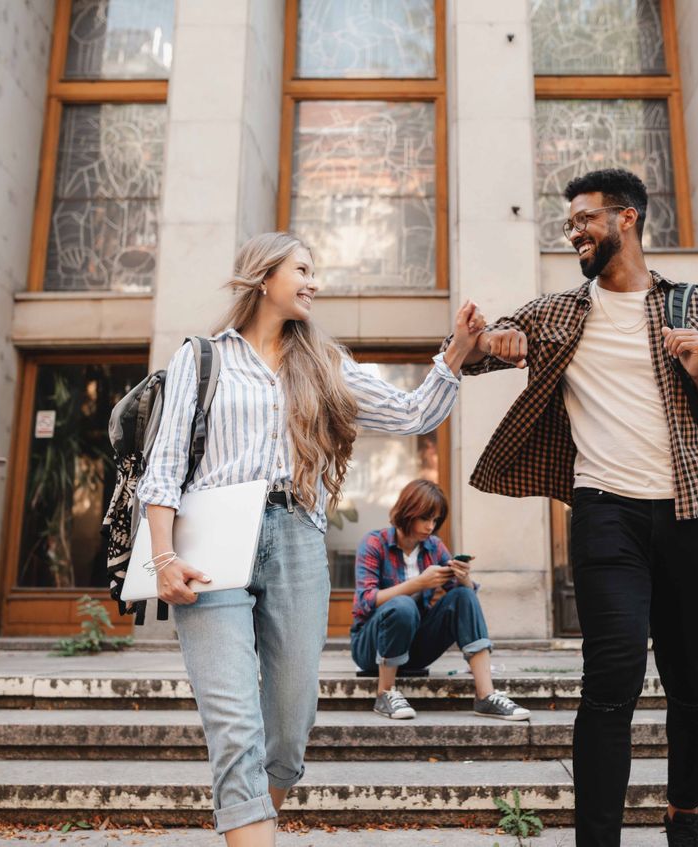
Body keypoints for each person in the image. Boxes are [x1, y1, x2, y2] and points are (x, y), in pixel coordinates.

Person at [135, 231, 485, 847]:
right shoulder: (202, 357)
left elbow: (411, 414)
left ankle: (254, 821)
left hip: (296, 535)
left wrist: (455, 351)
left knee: (290, 725)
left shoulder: (324, 364)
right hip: (213, 544)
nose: (313, 281)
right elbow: (163, 467)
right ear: (263, 275)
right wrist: (164, 557)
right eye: (302, 268)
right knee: (233, 721)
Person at [449, 169, 698, 847]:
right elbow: (474, 353)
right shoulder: (560, 311)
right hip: (606, 514)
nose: (574, 232)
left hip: (691, 512)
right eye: (569, 224)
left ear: (626, 218)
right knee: (610, 684)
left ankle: (683, 810)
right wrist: (489, 340)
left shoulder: (690, 305)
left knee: (691, 682)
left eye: (585, 219)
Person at [350, 478, 530, 721]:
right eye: (425, 518)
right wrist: (418, 583)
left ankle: (486, 696)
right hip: (370, 649)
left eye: (435, 520)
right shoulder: (374, 543)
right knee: (403, 605)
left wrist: (464, 578)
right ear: (408, 512)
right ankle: (385, 693)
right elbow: (366, 601)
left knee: (463, 595)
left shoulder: (434, 546)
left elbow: (463, 603)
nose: (430, 527)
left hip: (415, 650)